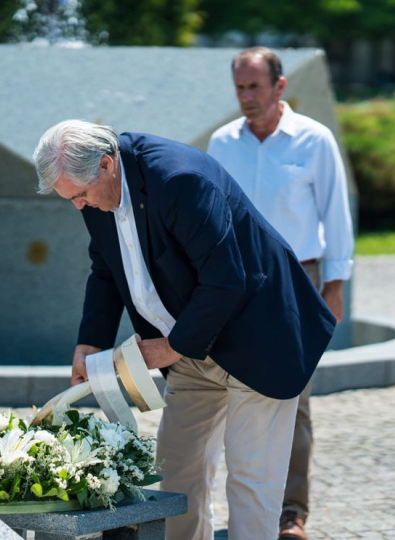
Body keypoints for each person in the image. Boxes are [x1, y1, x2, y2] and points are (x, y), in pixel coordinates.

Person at [33, 119, 337, 540]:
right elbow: (105, 269)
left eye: (80, 195)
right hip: (190, 346)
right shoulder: (98, 195)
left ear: (105, 165)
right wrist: (90, 343)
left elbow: (226, 280)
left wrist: (169, 348)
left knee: (251, 480)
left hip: (258, 339)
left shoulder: (180, 180)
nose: (79, 207)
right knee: (176, 473)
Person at [207, 47, 354, 540]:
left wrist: (333, 287)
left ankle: (291, 513)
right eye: (240, 88)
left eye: (255, 86)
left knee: (295, 398)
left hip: (299, 282)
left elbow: (336, 215)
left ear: (280, 86)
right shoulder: (222, 142)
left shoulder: (314, 140)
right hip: (236, 286)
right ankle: (244, 508)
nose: (247, 97)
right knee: (229, 395)